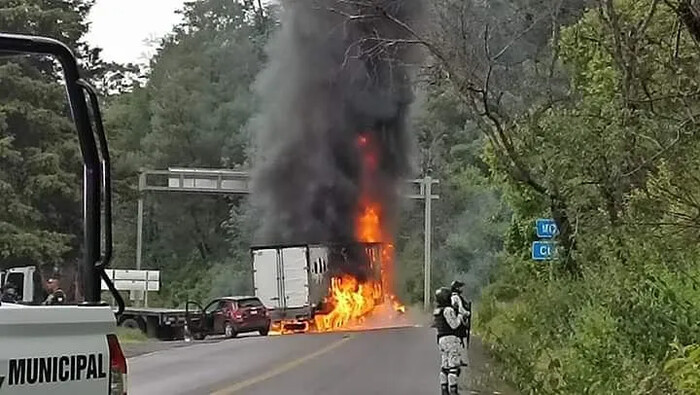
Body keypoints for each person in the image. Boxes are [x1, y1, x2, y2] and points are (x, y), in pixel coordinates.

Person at [434, 286, 465, 395]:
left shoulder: (437, 310)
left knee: (445, 365)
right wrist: (460, 316)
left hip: (441, 339)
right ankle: (453, 390)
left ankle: (444, 389)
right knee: (453, 366)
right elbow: (454, 325)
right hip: (451, 339)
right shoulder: (448, 310)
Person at [450, 280, 471, 366]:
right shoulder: (457, 298)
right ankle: (457, 359)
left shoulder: (450, 297)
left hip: (452, 321)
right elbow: (460, 309)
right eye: (459, 287)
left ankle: (454, 359)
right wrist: (467, 313)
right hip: (458, 320)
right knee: (459, 340)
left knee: (455, 340)